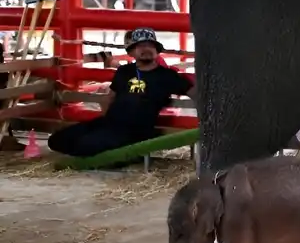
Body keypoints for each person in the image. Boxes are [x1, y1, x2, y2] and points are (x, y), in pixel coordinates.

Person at [47, 28, 196, 161]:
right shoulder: (124, 72)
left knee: (84, 145)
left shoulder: (168, 76)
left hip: (136, 130)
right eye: (141, 46)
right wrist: (106, 121)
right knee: (56, 140)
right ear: (132, 52)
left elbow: (195, 94)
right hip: (110, 123)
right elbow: (110, 97)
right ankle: (115, 152)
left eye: (150, 45)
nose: (146, 49)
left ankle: (128, 154)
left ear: (157, 51)